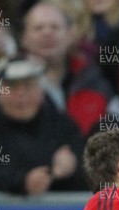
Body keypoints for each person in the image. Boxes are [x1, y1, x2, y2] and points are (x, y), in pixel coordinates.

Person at [0, 56, 86, 195]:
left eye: (28, 86)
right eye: (12, 87)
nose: (21, 95)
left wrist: (73, 166)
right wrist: (21, 182)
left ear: (41, 91)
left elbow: (91, 174)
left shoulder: (63, 127)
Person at [20, 1, 113, 137]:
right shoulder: (8, 84)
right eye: (38, 28)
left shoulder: (93, 81)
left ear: (71, 34)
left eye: (55, 27)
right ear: (24, 38)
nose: (47, 33)